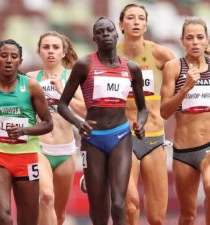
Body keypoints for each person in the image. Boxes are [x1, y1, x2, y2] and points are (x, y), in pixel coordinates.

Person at [58, 17, 148, 225]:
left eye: (109, 30)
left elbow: (143, 109)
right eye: (100, 32)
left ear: (117, 35)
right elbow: (63, 105)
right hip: (93, 141)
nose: (106, 34)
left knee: (118, 204)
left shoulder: (132, 69)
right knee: (99, 212)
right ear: (94, 38)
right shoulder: (84, 65)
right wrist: (79, 123)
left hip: (120, 137)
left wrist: (140, 124)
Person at [160, 17, 210, 225]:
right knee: (187, 216)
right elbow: (164, 111)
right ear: (182, 41)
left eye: (199, 37)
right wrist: (186, 87)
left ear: (207, 40)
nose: (195, 42)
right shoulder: (174, 68)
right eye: (190, 38)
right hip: (184, 152)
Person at [0, 39, 53, 225]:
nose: (8, 60)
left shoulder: (31, 86)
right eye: (4, 56)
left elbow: (47, 123)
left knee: (28, 221)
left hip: (26, 157)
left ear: (19, 62)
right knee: (4, 216)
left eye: (14, 57)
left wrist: (24, 130)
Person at [117, 4, 174, 225]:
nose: (136, 22)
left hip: (154, 139)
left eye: (141, 18)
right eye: (130, 18)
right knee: (131, 206)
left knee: (157, 218)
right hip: (123, 138)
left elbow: (177, 90)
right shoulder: (111, 56)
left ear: (146, 25)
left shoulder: (160, 54)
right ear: (121, 24)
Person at [27, 31, 85, 225]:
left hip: (65, 150)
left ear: (63, 52)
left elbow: (86, 111)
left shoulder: (72, 77)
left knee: (59, 214)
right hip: (39, 148)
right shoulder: (30, 78)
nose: (50, 51)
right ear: (39, 52)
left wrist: (62, 92)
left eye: (55, 47)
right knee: (46, 196)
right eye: (46, 47)